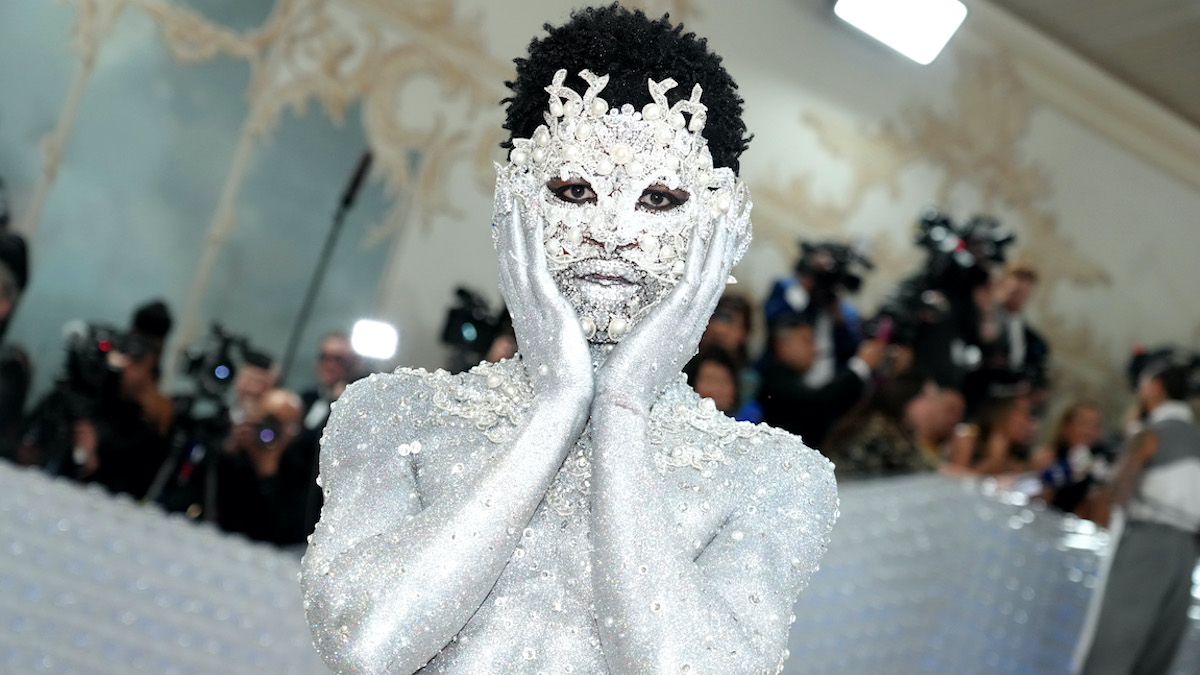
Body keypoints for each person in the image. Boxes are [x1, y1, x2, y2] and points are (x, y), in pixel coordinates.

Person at [301, 7, 838, 673]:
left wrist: (621, 410)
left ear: (725, 229)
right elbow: (367, 642)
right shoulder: (392, 415)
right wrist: (556, 407)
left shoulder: (774, 478)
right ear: (513, 201)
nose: (610, 231)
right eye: (576, 189)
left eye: (659, 198)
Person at [1082, 364, 1200, 675]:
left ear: (1156, 388)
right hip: (1187, 554)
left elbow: (1117, 490)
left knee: (1114, 644)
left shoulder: (1150, 434)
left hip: (1146, 543)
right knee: (1158, 650)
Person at [759, 313, 883, 446]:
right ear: (782, 346)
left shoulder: (789, 378)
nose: (814, 349)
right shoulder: (775, 378)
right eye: (806, 341)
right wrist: (860, 366)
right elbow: (817, 402)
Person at [215, 388, 311, 546]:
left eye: (286, 425)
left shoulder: (302, 470)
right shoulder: (234, 451)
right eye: (270, 420)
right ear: (254, 417)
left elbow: (286, 533)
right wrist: (229, 452)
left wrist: (268, 472)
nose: (274, 430)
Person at [823, 370, 943, 478]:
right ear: (909, 400)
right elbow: (930, 473)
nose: (935, 409)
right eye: (930, 399)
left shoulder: (882, 423)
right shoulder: (881, 430)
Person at [1030, 399, 1108, 516]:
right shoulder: (1046, 458)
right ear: (1065, 427)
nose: (1089, 431)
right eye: (1083, 423)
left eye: (1095, 426)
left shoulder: (1099, 470)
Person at [947, 392, 1037, 475]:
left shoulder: (1015, 460)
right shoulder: (968, 438)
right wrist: (995, 459)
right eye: (1023, 412)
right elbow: (956, 482)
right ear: (1001, 413)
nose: (1029, 421)